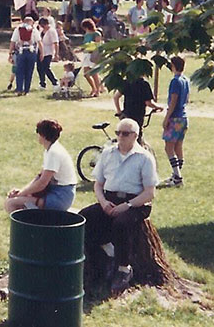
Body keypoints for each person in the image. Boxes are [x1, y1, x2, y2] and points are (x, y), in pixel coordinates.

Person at [78, 117, 159, 294]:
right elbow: (98, 184)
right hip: (110, 199)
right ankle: (103, 257)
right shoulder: (107, 153)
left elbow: (149, 192)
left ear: (135, 136)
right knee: (83, 218)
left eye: (125, 133)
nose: (120, 137)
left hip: (137, 202)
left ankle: (124, 269)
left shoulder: (144, 158)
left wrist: (128, 205)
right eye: (118, 133)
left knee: (121, 224)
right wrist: (103, 202)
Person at [5, 119, 78, 213]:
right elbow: (39, 177)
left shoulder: (54, 153)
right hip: (54, 191)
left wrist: (21, 194)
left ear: (43, 135)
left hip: (60, 196)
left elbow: (42, 184)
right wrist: (21, 191)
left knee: (11, 203)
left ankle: (26, 227)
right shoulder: (50, 150)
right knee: (14, 200)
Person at [113, 66, 163, 144]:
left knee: (125, 135)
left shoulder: (127, 82)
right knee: (136, 137)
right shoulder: (144, 84)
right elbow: (148, 103)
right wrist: (158, 107)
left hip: (127, 114)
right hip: (138, 115)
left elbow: (116, 97)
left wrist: (119, 112)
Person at [161, 56, 189, 187]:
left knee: (169, 147)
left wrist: (167, 117)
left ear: (173, 66)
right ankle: (176, 174)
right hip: (183, 117)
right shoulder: (185, 80)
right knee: (178, 146)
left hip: (175, 117)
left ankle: (177, 176)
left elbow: (173, 100)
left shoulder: (175, 81)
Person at [10, 16, 40, 95]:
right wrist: (41, 53)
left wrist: (10, 53)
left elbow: (13, 42)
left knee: (19, 71)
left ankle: (19, 89)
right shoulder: (34, 30)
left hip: (21, 51)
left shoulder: (18, 29)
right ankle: (26, 90)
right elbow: (39, 42)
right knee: (29, 71)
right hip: (31, 51)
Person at [80, 18, 105, 96]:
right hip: (86, 55)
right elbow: (85, 45)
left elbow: (98, 44)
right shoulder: (86, 35)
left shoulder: (96, 33)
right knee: (86, 74)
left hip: (93, 55)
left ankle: (97, 90)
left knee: (94, 73)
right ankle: (93, 88)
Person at [36, 17, 59, 90]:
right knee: (39, 68)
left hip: (48, 51)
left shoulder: (52, 31)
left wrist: (56, 54)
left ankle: (54, 82)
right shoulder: (41, 31)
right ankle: (42, 83)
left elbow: (56, 43)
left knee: (46, 67)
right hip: (40, 50)